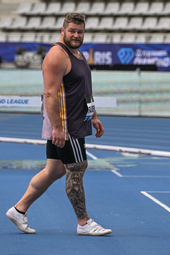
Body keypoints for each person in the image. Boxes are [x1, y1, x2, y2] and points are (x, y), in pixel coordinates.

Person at [6, 13, 112, 236]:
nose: (76, 34)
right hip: (66, 124)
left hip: (75, 120)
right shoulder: (57, 55)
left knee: (54, 169)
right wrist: (57, 127)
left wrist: (93, 116)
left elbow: (85, 91)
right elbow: (50, 94)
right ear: (62, 31)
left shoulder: (78, 54)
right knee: (77, 167)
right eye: (72, 30)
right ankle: (83, 223)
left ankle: (19, 210)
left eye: (80, 31)